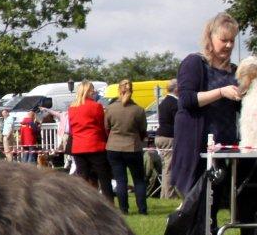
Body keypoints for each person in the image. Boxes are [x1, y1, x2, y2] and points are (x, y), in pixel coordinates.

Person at [171, 13, 241, 198]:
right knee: (197, 201)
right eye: (224, 40)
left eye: (232, 41)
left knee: (217, 201)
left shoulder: (236, 71)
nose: (229, 45)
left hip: (225, 146)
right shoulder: (195, 63)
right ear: (210, 37)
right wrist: (221, 92)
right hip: (197, 147)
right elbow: (186, 100)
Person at [105, 79, 148, 215]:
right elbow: (143, 129)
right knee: (138, 180)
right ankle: (142, 209)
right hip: (133, 147)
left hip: (114, 147)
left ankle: (123, 209)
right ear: (132, 91)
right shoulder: (138, 110)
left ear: (118, 90)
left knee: (120, 179)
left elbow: (106, 127)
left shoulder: (110, 109)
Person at [68, 81, 114, 201]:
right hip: (95, 145)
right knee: (104, 178)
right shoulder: (96, 106)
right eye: (92, 90)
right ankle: (109, 203)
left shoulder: (72, 108)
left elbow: (72, 128)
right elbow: (101, 126)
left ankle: (83, 203)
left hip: (78, 147)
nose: (94, 93)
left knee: (83, 179)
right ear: (88, 92)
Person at [154, 79, 179, 198]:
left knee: (165, 167)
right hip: (168, 137)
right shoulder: (174, 103)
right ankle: (169, 194)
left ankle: (164, 193)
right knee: (169, 167)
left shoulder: (163, 102)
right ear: (176, 89)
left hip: (160, 136)